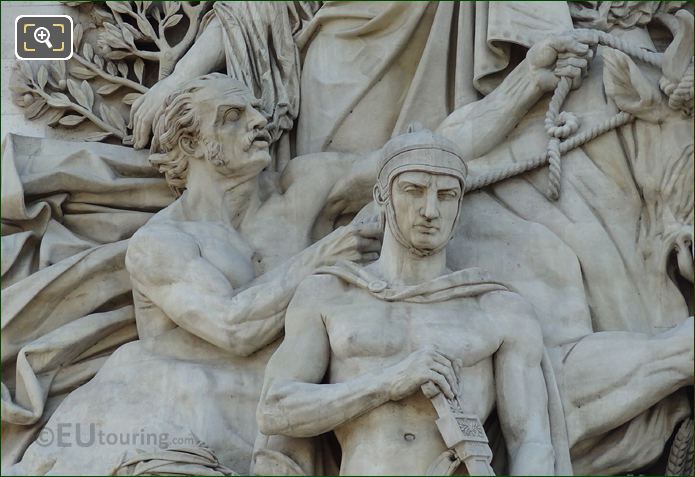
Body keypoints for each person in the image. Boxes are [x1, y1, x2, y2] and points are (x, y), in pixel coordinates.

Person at [11, 74, 383, 475]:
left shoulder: (306, 187)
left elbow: (404, 160)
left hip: (285, 413)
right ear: (191, 144)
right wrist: (319, 258)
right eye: (233, 116)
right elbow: (233, 328)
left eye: (256, 109)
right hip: (178, 419)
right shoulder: (163, 242)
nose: (259, 121)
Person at [257, 128, 571, 475]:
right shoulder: (329, 294)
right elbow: (274, 408)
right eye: (414, 190)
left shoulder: (499, 309)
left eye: (447, 195)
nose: (431, 210)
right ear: (381, 196)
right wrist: (388, 382)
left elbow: (531, 442)